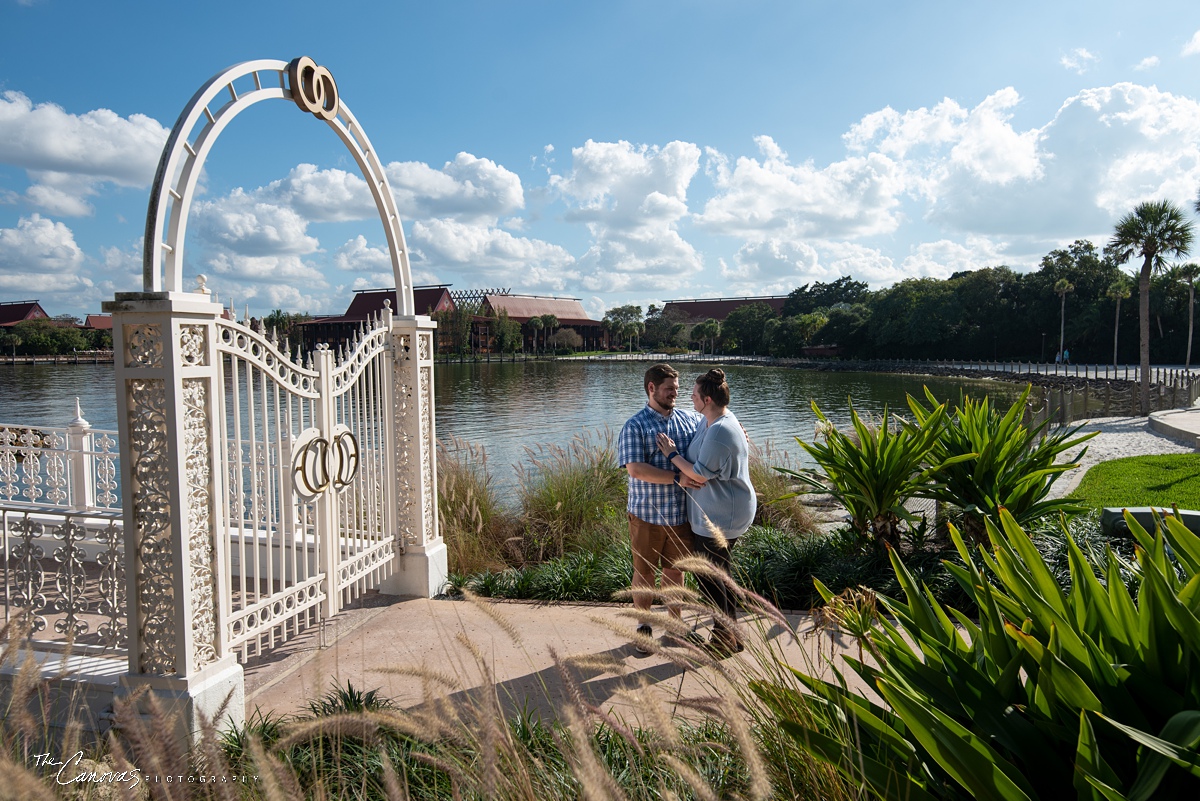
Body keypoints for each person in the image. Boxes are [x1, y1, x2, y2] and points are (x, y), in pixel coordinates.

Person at [656, 368, 755, 656]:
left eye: (695, 395)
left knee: (710, 580)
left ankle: (724, 639)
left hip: (722, 516)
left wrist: (672, 455)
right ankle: (734, 636)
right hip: (720, 511)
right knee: (719, 575)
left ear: (707, 399)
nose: (690, 397)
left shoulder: (720, 430)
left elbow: (698, 476)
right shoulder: (713, 419)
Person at [617, 363, 703, 654]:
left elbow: (715, 426)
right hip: (646, 515)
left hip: (681, 516)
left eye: (677, 390)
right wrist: (678, 477)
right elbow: (636, 469)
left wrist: (735, 427)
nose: (674, 394)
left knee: (676, 573)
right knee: (644, 573)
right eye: (669, 389)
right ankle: (644, 627)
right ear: (652, 388)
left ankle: (676, 627)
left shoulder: (689, 421)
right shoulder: (635, 425)